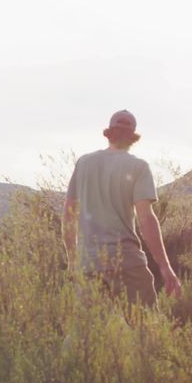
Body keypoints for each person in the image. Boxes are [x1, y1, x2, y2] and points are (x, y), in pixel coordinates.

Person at [62, 109, 181, 306]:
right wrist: (165, 266)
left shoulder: (84, 163)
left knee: (86, 333)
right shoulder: (139, 167)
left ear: (109, 133)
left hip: (89, 263)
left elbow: (68, 215)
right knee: (144, 331)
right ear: (133, 138)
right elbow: (146, 219)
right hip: (126, 262)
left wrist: (74, 260)